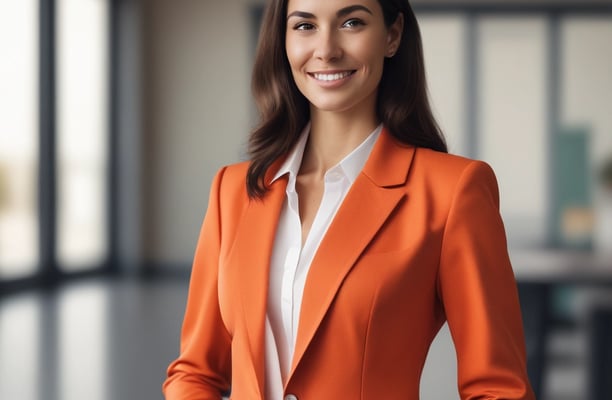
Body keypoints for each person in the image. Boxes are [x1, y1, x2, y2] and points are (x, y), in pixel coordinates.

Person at [163, 0, 535, 398]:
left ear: (392, 35)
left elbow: (499, 389)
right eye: (304, 26)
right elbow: (195, 372)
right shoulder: (232, 191)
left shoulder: (451, 192)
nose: (326, 49)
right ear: (283, 41)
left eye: (352, 22)